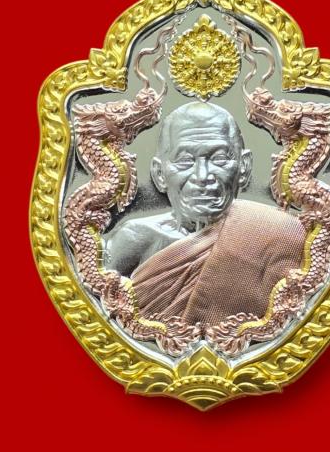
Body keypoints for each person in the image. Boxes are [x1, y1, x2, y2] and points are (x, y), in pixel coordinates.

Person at [105, 102, 308, 326]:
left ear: (244, 167)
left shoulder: (280, 235)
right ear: (159, 174)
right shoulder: (135, 239)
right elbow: (100, 312)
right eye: (184, 161)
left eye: (219, 159)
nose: (202, 176)